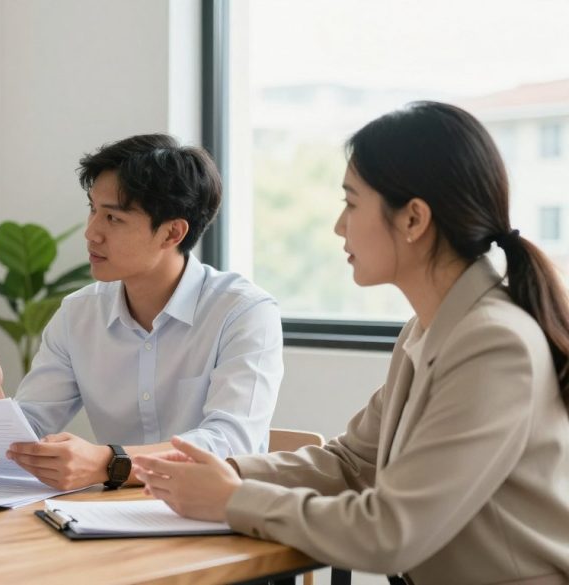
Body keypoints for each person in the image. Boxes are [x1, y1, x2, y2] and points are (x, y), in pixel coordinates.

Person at [134, 102, 569, 584]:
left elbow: (392, 533)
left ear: (413, 220)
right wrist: (228, 471)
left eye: (352, 202)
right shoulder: (428, 328)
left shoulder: (494, 344)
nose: (340, 225)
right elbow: (351, 462)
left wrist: (231, 499)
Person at [0, 134, 283, 491]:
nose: (91, 233)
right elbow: (28, 439)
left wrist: (112, 463)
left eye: (114, 218)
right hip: (109, 518)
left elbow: (232, 443)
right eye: (92, 209)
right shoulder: (78, 314)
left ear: (172, 233)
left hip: (213, 516)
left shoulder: (243, 313)